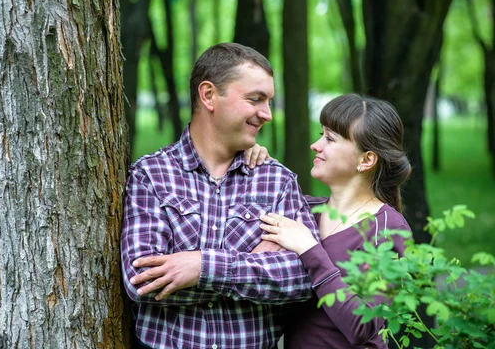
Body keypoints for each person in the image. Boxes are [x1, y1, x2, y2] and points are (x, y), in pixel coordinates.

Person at [121, 43, 320, 349]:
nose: (267, 114)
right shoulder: (152, 174)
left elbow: (305, 277)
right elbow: (143, 281)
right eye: (255, 99)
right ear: (209, 95)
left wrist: (200, 267)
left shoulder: (277, 181)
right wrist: (255, 268)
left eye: (269, 101)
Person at [257, 93, 412, 348]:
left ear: (366, 159)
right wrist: (251, 158)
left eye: (330, 138)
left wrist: (310, 250)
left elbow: (362, 325)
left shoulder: (388, 229)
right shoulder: (304, 210)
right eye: (321, 134)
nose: (316, 145)